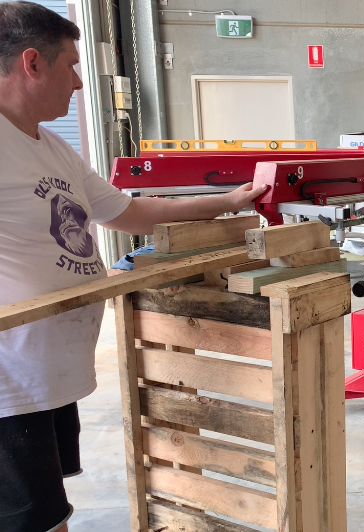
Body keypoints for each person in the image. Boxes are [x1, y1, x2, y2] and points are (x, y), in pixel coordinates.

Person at [0, 3, 266, 531]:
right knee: (33, 519)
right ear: (32, 63)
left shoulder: (50, 147)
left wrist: (229, 201)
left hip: (45, 374)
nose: (79, 84)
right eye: (71, 66)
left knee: (47, 510)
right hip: (8, 382)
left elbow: (129, 211)